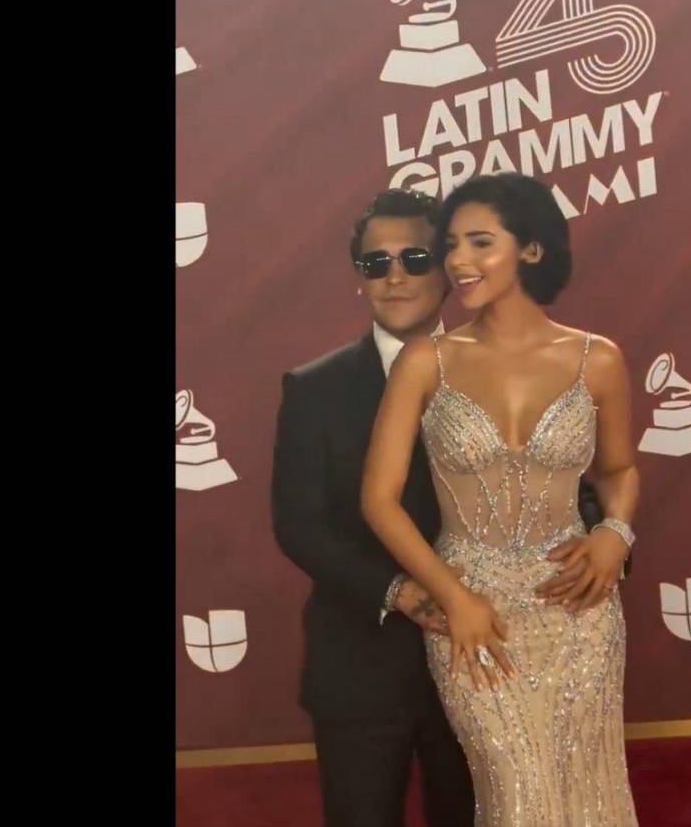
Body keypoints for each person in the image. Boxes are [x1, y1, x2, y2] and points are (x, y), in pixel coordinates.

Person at [361, 172, 640, 825]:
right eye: (452, 244)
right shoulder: (426, 362)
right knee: (514, 793)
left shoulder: (597, 360)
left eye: (479, 242)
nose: (458, 261)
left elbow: (620, 470)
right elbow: (379, 500)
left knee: (589, 791)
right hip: (473, 610)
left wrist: (615, 533)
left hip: (581, 610)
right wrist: (454, 598)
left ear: (531, 250)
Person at [271, 189, 475, 827]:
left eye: (415, 258)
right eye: (375, 263)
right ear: (358, 279)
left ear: (446, 265)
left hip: (483, 662)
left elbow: (563, 485)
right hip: (358, 665)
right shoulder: (314, 388)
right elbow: (300, 525)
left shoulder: (504, 373)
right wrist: (399, 591)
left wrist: (611, 537)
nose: (395, 276)